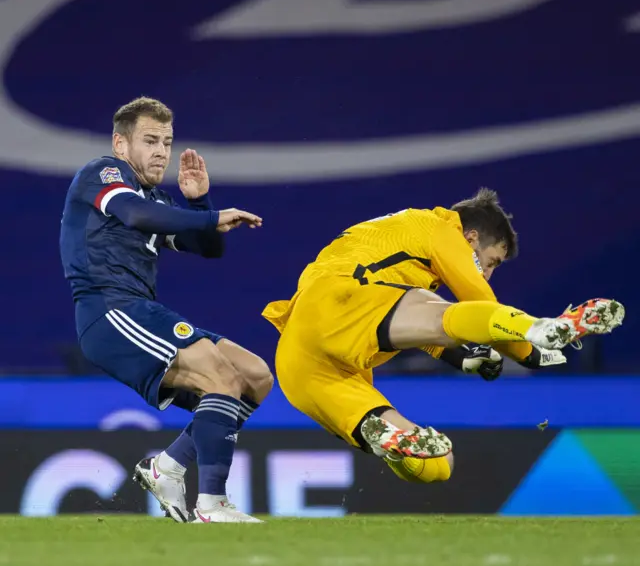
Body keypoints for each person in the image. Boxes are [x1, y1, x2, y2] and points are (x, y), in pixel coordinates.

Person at [262, 190, 624, 484]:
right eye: (493, 261)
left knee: (437, 463)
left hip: (300, 358)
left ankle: (386, 441)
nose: (490, 273)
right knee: (439, 307)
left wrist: (461, 359)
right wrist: (529, 349)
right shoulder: (440, 227)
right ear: (471, 237)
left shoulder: (399, 251)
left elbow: (407, 325)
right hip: (337, 301)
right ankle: (541, 327)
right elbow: (478, 299)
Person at [60, 96, 272, 523]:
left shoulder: (155, 196)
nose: (161, 152)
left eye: (167, 142)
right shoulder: (103, 173)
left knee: (254, 377)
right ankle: (212, 504)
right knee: (217, 373)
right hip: (110, 310)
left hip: (138, 308)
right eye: (150, 140)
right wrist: (213, 217)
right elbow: (136, 216)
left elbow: (207, 249)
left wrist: (199, 204)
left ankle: (168, 467)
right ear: (121, 145)